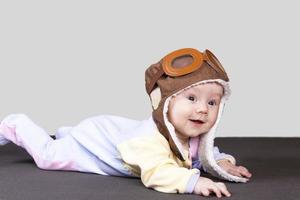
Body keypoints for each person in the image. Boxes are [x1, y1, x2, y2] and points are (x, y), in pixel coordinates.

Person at [0, 48, 252, 198]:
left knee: (61, 142)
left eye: (212, 103)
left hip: (113, 130)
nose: (202, 109)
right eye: (191, 98)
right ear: (165, 104)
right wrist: (194, 183)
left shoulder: (193, 135)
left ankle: (64, 134)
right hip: (93, 146)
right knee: (48, 157)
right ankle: (14, 124)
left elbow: (203, 155)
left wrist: (222, 163)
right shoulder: (148, 141)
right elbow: (156, 173)